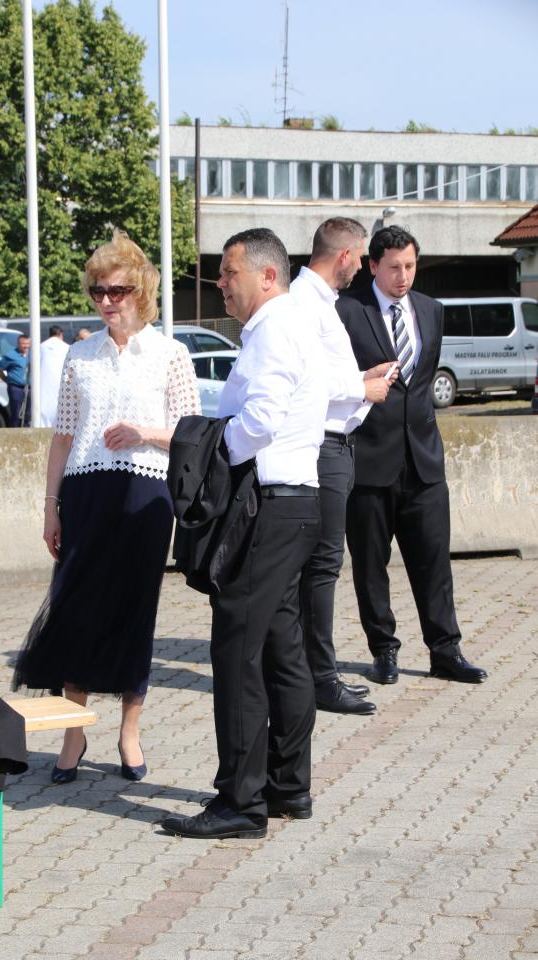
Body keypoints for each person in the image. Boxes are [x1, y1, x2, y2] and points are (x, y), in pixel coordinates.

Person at [13, 231, 200, 784]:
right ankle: (74, 731)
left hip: (146, 494)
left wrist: (143, 433)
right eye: (98, 291)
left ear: (140, 291)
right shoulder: (79, 355)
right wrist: (50, 508)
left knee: (134, 611)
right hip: (85, 493)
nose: (106, 301)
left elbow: (192, 435)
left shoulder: (170, 355)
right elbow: (63, 438)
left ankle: (130, 732)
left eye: (117, 290)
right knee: (76, 610)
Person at [162, 228, 329, 840]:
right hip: (295, 500)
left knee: (236, 651)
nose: (221, 285)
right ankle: (288, 785)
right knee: (282, 649)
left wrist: (213, 453)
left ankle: (240, 801)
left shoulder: (276, 330)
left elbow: (259, 420)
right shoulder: (290, 326)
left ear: (267, 275)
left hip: (270, 505)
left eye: (229, 273)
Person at [336, 225, 487, 685]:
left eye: (411, 266)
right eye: (394, 267)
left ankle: (446, 650)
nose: (403, 276)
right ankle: (384, 650)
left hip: (424, 462)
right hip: (368, 462)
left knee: (434, 561)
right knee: (370, 566)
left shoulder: (431, 310)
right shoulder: (347, 311)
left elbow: (420, 386)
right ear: (373, 266)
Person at [292, 218, 397, 716]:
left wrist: (360, 377)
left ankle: (312, 675)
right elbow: (306, 381)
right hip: (322, 447)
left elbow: (323, 374)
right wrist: (362, 388)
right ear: (345, 255)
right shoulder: (305, 304)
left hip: (334, 445)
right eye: (359, 257)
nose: (359, 268)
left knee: (320, 566)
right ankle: (319, 679)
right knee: (321, 567)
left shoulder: (317, 302)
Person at [0, 334, 31, 426]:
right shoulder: (10, 356)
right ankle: (14, 430)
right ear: (18, 344)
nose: (26, 346)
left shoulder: (32, 355)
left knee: (28, 413)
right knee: (16, 412)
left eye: (27, 344)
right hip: (16, 387)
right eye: (23, 344)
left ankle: (26, 430)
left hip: (29, 387)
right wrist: (7, 380)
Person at [39, 325, 69, 428]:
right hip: (62, 383)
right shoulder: (67, 347)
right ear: (61, 334)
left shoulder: (41, 346)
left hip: (43, 384)